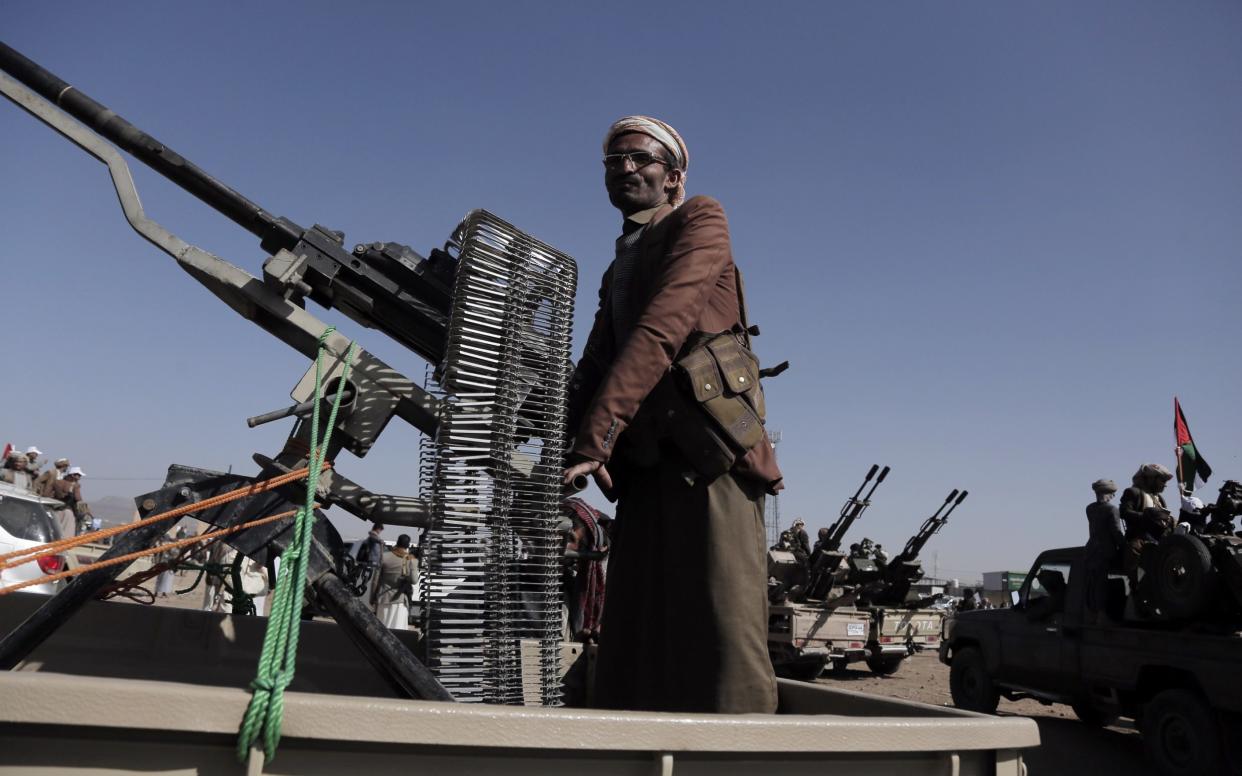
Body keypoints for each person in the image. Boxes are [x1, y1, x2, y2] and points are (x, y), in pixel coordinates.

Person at [562, 115, 782, 714]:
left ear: (674, 177)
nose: (626, 168)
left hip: (709, 461)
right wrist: (563, 449)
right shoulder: (617, 265)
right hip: (646, 467)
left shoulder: (701, 219)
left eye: (641, 158)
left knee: (723, 634)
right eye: (614, 162)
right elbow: (594, 363)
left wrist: (595, 438)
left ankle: (743, 761)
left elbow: (665, 326)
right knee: (633, 635)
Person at [1119, 463, 1174, 610]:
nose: (1164, 485)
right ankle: (1137, 595)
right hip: (1139, 540)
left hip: (1158, 542)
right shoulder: (1133, 492)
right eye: (1162, 480)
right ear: (1151, 479)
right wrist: (1146, 517)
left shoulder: (1159, 499)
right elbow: (1124, 512)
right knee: (1136, 564)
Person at [1084, 478, 1124, 619]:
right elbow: (1116, 532)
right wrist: (1124, 547)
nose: (1113, 496)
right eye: (1112, 493)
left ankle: (1092, 614)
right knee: (1101, 585)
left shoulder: (1090, 508)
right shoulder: (1112, 509)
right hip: (1105, 551)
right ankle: (1101, 616)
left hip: (1091, 550)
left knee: (1092, 584)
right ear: (1107, 493)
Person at [373, 533, 416, 630]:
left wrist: (373, 597)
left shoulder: (384, 556)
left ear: (397, 542)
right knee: (398, 632)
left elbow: (375, 580)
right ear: (408, 545)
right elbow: (414, 580)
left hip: (383, 599)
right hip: (400, 601)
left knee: (381, 630)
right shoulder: (409, 559)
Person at [48, 466, 85, 539]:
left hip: (55, 510)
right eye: (79, 475)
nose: (79, 478)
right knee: (65, 535)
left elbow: (47, 494)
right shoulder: (75, 485)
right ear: (73, 475)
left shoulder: (57, 482)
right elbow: (78, 499)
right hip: (67, 511)